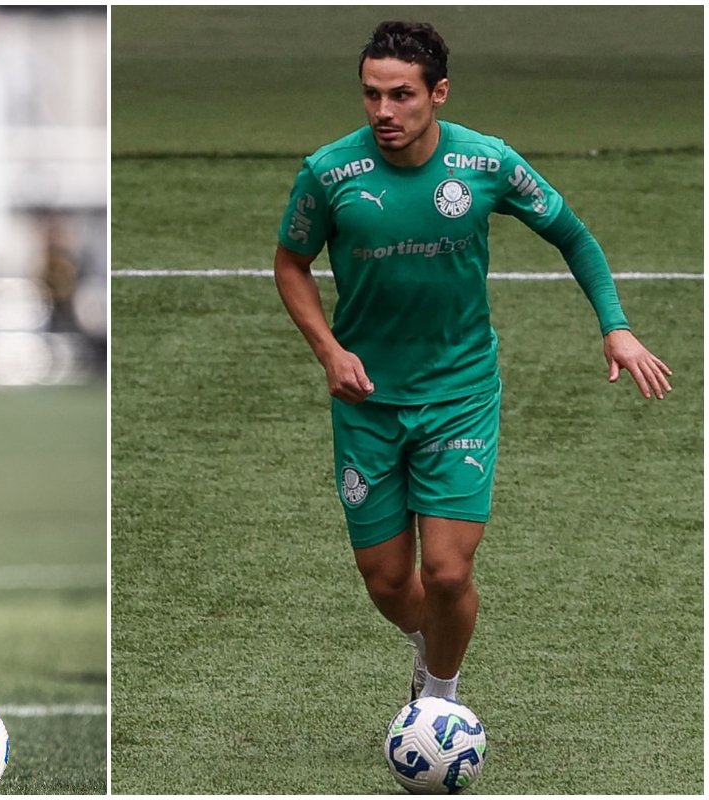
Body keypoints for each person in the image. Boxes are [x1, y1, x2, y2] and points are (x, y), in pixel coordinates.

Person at [274, 21, 671, 705]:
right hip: (367, 400)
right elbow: (291, 262)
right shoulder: (329, 173)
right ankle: (429, 643)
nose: (383, 112)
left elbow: (573, 235)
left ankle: (440, 700)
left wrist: (618, 328)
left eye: (401, 95)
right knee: (388, 581)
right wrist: (329, 351)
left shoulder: (487, 164)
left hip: (460, 392)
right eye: (371, 95)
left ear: (440, 92)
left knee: (450, 574)